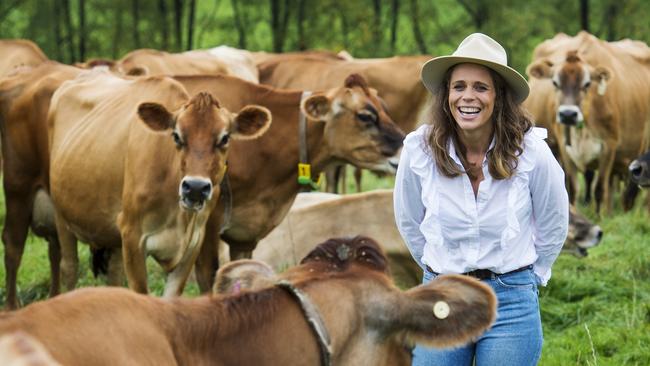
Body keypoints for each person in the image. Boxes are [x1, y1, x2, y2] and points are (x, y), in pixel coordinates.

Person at [394, 33, 568, 365]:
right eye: (459, 86)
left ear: (499, 97)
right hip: (442, 297)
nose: (468, 97)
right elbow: (409, 221)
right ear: (447, 94)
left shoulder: (532, 151)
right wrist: (439, 267)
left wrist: (527, 276)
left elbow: (553, 222)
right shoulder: (419, 150)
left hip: (510, 301)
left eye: (480, 87)